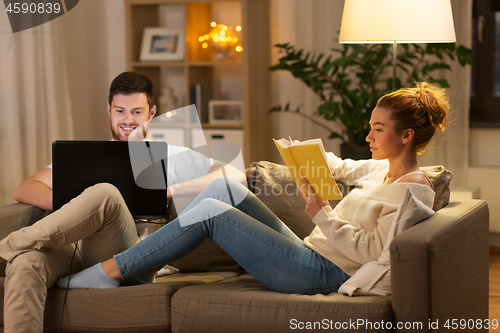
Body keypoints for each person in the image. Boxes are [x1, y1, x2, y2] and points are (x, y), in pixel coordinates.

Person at [58, 82, 447, 295]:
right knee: (223, 189)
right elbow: (340, 165)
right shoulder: (381, 168)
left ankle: (111, 270)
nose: (368, 136)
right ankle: (138, 272)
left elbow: (372, 252)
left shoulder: (413, 192)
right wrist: (302, 154)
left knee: (212, 213)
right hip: (309, 251)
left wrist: (323, 216)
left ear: (407, 135)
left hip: (325, 274)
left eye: (378, 130)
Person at [0, 71, 245, 333]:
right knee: (27, 264)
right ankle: (11, 252)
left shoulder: (172, 156)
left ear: (152, 113)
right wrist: (77, 205)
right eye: (120, 111)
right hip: (77, 249)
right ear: (109, 110)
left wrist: (171, 190)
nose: (128, 120)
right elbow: (25, 189)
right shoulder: (88, 156)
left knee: (106, 193)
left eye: (137, 112)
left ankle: (5, 248)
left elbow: (236, 175)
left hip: (129, 256)